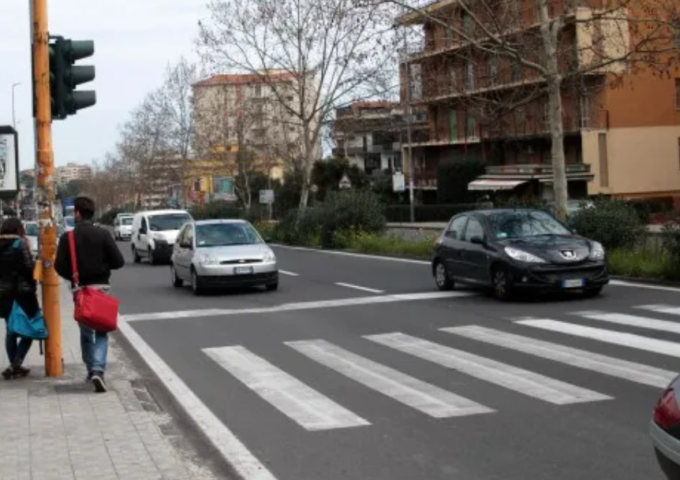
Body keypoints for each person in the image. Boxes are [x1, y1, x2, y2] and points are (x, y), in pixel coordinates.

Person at [55, 197, 124, 393]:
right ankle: (98, 370)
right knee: (102, 330)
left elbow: (59, 265)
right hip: (101, 288)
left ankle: (90, 370)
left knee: (86, 333)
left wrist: (73, 275)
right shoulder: (103, 234)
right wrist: (102, 267)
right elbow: (118, 261)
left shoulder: (67, 238)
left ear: (77, 213)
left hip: (81, 291)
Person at [0, 218, 40, 380]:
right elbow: (29, 269)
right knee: (29, 330)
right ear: (18, 230)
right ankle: (16, 363)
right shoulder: (20, 245)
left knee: (10, 330)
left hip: (3, 295)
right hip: (23, 294)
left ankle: (14, 366)